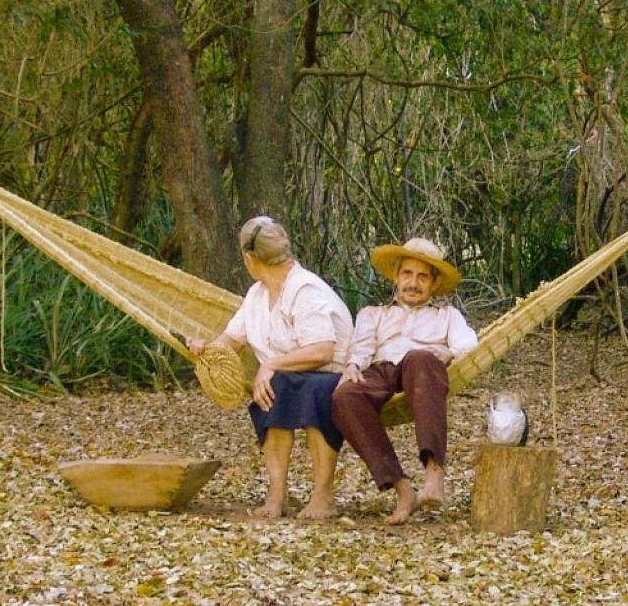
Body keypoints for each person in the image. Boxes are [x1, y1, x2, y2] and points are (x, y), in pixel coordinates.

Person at [188, 216, 353, 520]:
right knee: (270, 391)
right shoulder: (257, 295)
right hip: (287, 377)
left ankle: (323, 496)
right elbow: (232, 341)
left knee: (312, 391)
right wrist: (204, 348)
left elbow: (323, 349)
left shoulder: (305, 290)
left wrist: (271, 365)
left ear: (249, 259)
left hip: (333, 375)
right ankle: (277, 494)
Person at [332, 237, 478, 525]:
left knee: (420, 357)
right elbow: (361, 348)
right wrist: (351, 366)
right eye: (407, 274)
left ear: (434, 284)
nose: (413, 283)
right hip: (380, 371)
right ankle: (402, 488)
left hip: (423, 371)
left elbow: (470, 344)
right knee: (343, 396)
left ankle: (434, 471)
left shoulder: (447, 316)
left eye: (422, 276)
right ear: (396, 278)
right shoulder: (373, 314)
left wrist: (449, 351)